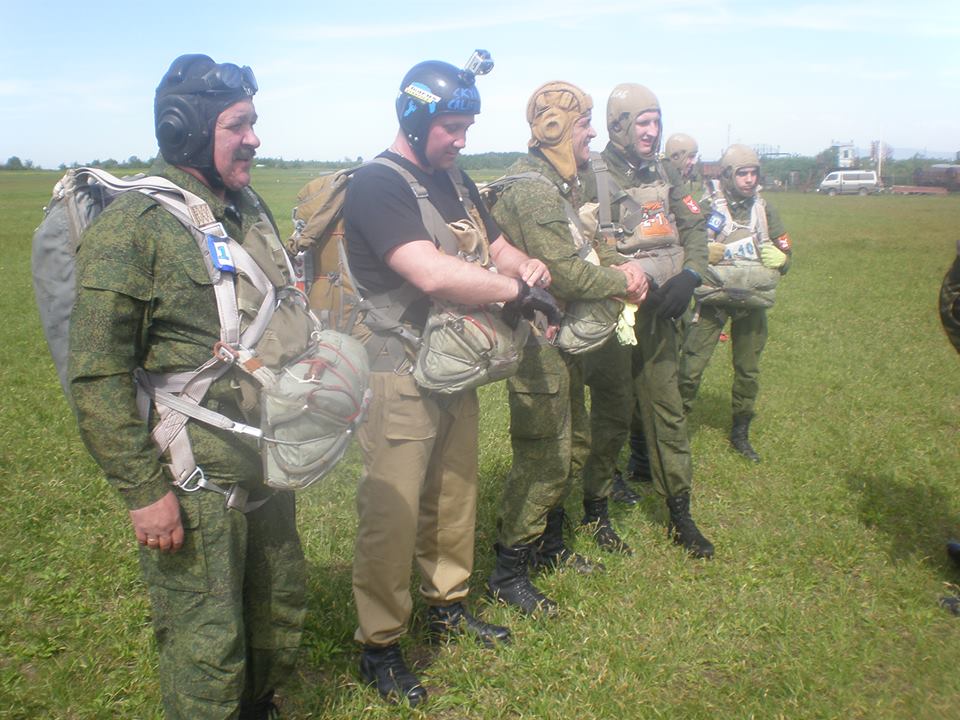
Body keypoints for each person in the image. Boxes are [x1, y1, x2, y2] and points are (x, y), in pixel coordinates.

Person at [69, 55, 307, 718]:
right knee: (208, 654)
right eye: (239, 125)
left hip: (267, 460)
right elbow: (96, 372)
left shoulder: (246, 211)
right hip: (194, 485)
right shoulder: (134, 228)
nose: (256, 139)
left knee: (277, 614)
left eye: (254, 122)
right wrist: (146, 495)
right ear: (187, 130)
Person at [343, 54, 557, 707]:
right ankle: (378, 646)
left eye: (468, 127)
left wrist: (530, 267)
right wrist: (512, 290)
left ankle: (448, 603)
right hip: (397, 372)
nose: (462, 140)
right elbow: (430, 272)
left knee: (455, 491)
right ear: (414, 116)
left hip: (456, 366)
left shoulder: (454, 178)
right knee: (394, 511)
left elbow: (495, 248)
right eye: (453, 127)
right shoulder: (378, 185)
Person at [485, 81, 649, 615]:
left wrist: (620, 265)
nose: (593, 133)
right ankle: (509, 570)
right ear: (553, 129)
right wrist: (624, 282)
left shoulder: (558, 184)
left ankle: (549, 548)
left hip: (562, 343)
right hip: (537, 346)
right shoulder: (533, 190)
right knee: (544, 455)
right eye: (584, 124)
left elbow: (583, 245)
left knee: (569, 444)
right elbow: (563, 272)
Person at [580, 83, 714, 559]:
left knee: (668, 413)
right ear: (618, 125)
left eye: (657, 121)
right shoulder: (588, 174)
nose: (652, 131)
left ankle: (680, 514)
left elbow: (694, 226)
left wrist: (690, 275)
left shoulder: (665, 172)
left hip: (663, 314)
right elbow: (578, 245)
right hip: (615, 314)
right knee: (612, 415)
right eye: (643, 122)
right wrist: (628, 281)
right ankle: (595, 507)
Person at [678, 144, 793, 462]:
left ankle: (741, 432)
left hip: (752, 301)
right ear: (728, 175)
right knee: (690, 367)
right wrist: (702, 250)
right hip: (713, 300)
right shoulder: (706, 207)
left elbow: (786, 253)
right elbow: (685, 243)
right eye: (742, 173)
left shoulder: (764, 210)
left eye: (753, 172)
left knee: (748, 370)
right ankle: (676, 431)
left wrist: (782, 260)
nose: (749, 179)